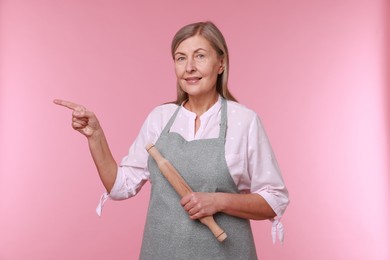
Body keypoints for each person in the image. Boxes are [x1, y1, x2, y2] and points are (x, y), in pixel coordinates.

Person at [54, 21, 289, 260]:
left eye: (200, 56)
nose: (189, 67)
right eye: (180, 58)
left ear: (221, 63)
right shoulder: (160, 118)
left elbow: (274, 199)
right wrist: (95, 136)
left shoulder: (244, 121)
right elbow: (120, 186)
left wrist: (218, 201)